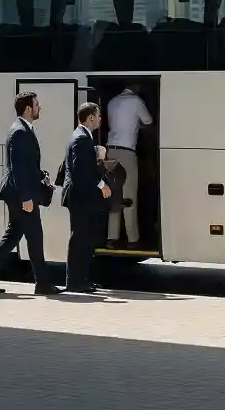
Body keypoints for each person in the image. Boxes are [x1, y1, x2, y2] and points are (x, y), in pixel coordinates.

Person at [0, 92, 62, 295]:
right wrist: (25, 197)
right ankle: (42, 284)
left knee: (13, 236)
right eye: (37, 105)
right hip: (20, 194)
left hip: (19, 192)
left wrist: (41, 175)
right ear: (28, 109)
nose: (40, 108)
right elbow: (18, 168)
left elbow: (27, 165)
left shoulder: (23, 129)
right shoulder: (19, 132)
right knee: (35, 237)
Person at [62, 102, 109, 293]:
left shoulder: (81, 136)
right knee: (80, 239)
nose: (100, 119)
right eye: (98, 116)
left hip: (82, 196)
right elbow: (81, 170)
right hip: (80, 196)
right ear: (90, 117)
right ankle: (75, 281)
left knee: (85, 238)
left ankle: (82, 279)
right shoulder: (81, 139)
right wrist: (101, 183)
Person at [105, 83, 152, 248]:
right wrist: (137, 125)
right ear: (136, 86)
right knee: (129, 195)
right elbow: (148, 121)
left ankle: (112, 238)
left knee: (113, 194)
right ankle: (132, 239)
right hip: (127, 152)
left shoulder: (112, 101)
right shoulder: (136, 100)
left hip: (110, 152)